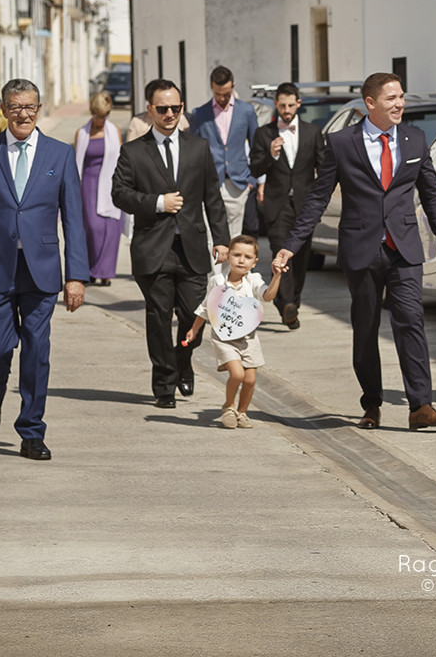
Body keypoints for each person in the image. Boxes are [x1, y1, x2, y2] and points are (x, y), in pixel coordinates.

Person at [273, 73, 436, 431]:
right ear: (370, 103)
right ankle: (371, 403)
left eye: (402, 96)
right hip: (362, 249)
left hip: (404, 249)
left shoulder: (415, 139)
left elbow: (432, 196)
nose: (399, 103)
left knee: (411, 323)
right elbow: (317, 198)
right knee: (365, 328)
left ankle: (421, 405)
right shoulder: (342, 143)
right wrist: (291, 246)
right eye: (391, 98)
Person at [0, 78, 89, 461]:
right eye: (15, 107)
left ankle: (31, 432)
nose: (22, 114)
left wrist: (76, 275)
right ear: (4, 110)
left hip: (41, 272)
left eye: (29, 107)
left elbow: (74, 220)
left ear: (39, 109)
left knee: (37, 351)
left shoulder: (59, 155)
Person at [113, 79, 230, 409]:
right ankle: (164, 385)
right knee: (159, 318)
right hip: (153, 249)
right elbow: (119, 193)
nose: (169, 114)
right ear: (149, 110)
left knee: (195, 317)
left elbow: (212, 198)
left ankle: (183, 363)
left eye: (175, 108)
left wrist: (222, 239)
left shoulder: (198, 147)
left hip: (192, 249)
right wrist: (157, 203)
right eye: (162, 108)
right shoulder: (134, 152)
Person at [184, 235, 284, 429]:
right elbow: (206, 307)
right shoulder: (217, 281)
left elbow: (267, 296)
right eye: (237, 255)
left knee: (250, 379)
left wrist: (277, 275)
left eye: (247, 257)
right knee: (237, 374)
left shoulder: (253, 280)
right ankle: (229, 407)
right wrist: (194, 329)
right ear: (228, 256)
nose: (241, 260)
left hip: (248, 338)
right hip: (224, 337)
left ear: (255, 262)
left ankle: (242, 412)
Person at [249, 82, 325, 330]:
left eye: (291, 105)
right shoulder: (264, 134)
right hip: (276, 204)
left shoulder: (313, 132)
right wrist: (270, 154)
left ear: (299, 105)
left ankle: (293, 303)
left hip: (305, 205)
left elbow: (324, 168)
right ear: (276, 105)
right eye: (282, 105)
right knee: (281, 255)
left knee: (301, 258)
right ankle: (286, 305)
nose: (286, 109)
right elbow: (255, 168)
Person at [190, 65, 260, 243]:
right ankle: (214, 273)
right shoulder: (200, 113)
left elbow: (257, 148)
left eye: (226, 94)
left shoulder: (247, 111)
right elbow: (193, 151)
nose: (222, 98)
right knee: (210, 235)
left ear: (233, 86)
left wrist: (253, 180)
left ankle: (230, 272)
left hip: (239, 183)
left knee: (234, 236)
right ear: (211, 87)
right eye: (218, 93)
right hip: (210, 183)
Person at [74, 91, 123, 286]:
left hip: (110, 185)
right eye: (98, 115)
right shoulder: (82, 133)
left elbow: (121, 160)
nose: (101, 120)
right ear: (92, 112)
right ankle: (90, 270)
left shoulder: (115, 131)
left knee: (110, 229)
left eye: (104, 116)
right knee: (92, 229)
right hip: (88, 185)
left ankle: (105, 273)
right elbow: (76, 162)